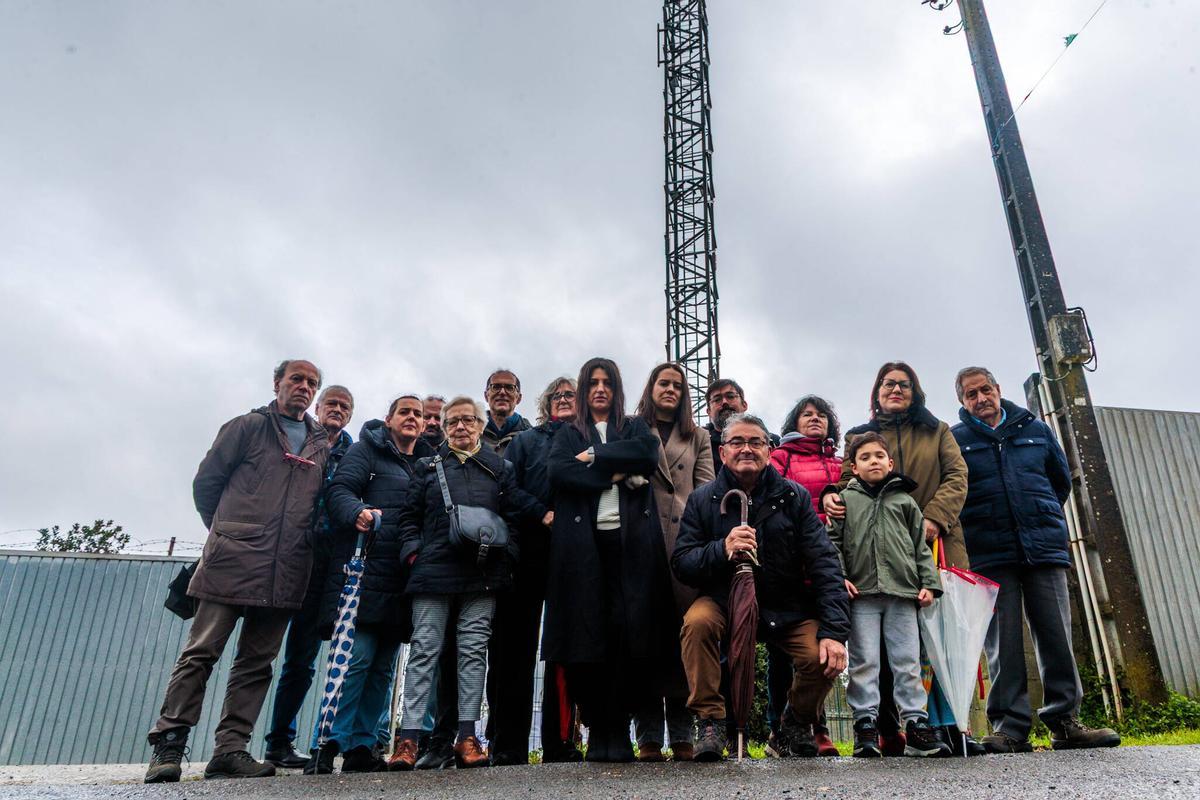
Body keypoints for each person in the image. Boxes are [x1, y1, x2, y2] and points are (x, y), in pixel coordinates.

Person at [144, 359, 330, 783]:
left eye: (311, 383)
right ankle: (169, 744)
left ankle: (230, 749)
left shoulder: (321, 443)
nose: (304, 387)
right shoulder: (246, 427)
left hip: (286, 568)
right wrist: (227, 531)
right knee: (201, 652)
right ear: (277, 383)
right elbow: (206, 484)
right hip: (232, 559)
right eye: (296, 379)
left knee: (256, 663)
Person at [951, 367, 1120, 752]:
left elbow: (1059, 482)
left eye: (985, 390)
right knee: (1003, 643)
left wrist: (1037, 515)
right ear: (962, 401)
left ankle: (1065, 722)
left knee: (1055, 635)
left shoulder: (1036, 430)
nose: (980, 399)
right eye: (970, 394)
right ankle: (1009, 728)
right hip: (990, 553)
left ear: (997, 389)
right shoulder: (956, 440)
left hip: (1042, 548)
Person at [673, 413, 849, 762]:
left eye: (755, 442)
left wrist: (835, 631)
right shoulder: (702, 499)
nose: (746, 449)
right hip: (724, 601)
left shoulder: (793, 497)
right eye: (737, 442)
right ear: (722, 453)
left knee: (821, 656)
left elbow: (824, 561)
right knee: (697, 624)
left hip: (784, 605)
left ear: (769, 450)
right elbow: (683, 562)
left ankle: (793, 723)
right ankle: (710, 721)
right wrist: (721, 548)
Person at [822, 361, 977, 756]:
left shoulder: (936, 431)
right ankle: (872, 729)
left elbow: (957, 477)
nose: (896, 389)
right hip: (864, 585)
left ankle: (942, 729)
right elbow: (838, 510)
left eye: (904, 384)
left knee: (927, 653)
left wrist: (933, 521)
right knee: (868, 662)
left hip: (925, 559)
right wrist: (829, 495)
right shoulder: (859, 443)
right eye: (888, 384)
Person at [389, 397, 549, 770]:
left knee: (473, 652)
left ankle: (468, 737)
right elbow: (408, 518)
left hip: (483, 577)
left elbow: (511, 520)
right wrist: (413, 554)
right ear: (444, 428)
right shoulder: (428, 467)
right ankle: (408, 739)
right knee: (425, 651)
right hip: (432, 574)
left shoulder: (500, 468)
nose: (461, 427)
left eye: (468, 420)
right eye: (453, 421)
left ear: (480, 425)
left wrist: (505, 557)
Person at [542, 357, 670, 763]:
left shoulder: (633, 427)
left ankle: (620, 727)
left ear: (616, 389)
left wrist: (594, 458)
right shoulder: (566, 433)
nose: (600, 389)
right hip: (583, 551)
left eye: (607, 383)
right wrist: (617, 468)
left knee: (626, 634)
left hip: (630, 548)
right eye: (593, 383)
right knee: (587, 636)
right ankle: (599, 729)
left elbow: (648, 454)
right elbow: (560, 473)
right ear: (584, 389)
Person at [305, 394, 437, 774]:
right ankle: (328, 742)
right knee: (355, 659)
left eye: (417, 413)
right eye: (404, 412)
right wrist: (357, 512)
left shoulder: (426, 463)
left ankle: (363, 745)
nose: (412, 418)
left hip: (403, 577)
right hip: (364, 572)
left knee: (383, 666)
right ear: (389, 419)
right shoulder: (367, 451)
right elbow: (338, 491)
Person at [827, 432, 948, 758]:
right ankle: (865, 726)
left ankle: (916, 725)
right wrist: (840, 577)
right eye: (865, 457)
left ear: (890, 462)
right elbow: (833, 544)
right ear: (854, 466)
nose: (873, 461)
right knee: (865, 662)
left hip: (902, 594)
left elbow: (920, 548)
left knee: (907, 663)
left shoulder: (905, 502)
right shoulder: (845, 501)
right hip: (862, 595)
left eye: (879, 456)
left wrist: (929, 582)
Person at [486, 377, 583, 765]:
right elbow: (507, 490)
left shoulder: (590, 441)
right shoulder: (526, 442)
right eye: (556, 395)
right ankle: (507, 745)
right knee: (512, 652)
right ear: (546, 404)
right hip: (525, 555)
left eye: (569, 395)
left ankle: (559, 743)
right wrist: (541, 513)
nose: (563, 400)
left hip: (572, 558)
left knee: (563, 653)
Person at [264, 385, 356, 769]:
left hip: (335, 561)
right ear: (319, 407)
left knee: (329, 655)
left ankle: (334, 741)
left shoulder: (354, 452)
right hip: (294, 554)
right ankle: (278, 740)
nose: (337, 410)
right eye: (332, 403)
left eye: (344, 406)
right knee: (289, 657)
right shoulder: (305, 442)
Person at [631, 363, 715, 762]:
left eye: (677, 385)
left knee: (682, 639)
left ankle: (682, 735)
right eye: (663, 383)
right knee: (644, 640)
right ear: (651, 388)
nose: (670, 389)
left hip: (683, 544)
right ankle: (647, 736)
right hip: (639, 542)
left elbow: (706, 490)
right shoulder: (631, 428)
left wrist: (701, 543)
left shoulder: (697, 436)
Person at [766, 395, 843, 757]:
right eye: (807, 415)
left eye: (821, 415)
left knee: (823, 646)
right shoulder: (782, 457)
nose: (815, 419)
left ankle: (813, 725)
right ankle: (780, 729)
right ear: (793, 423)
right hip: (791, 564)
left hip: (829, 560)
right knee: (786, 654)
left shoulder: (839, 462)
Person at [482, 369, 531, 456]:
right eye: (496, 387)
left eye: (509, 388)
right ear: (486, 396)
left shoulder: (532, 437)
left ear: (518, 398)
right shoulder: (469, 432)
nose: (502, 392)